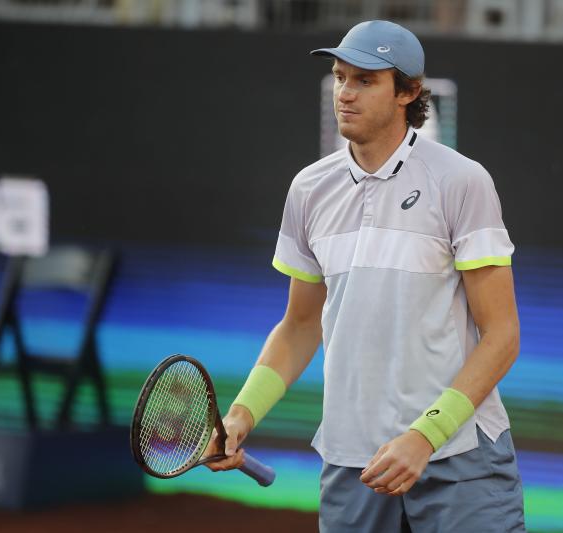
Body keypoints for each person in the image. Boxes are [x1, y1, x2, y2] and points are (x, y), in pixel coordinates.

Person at [205, 19, 525, 532]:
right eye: (340, 77)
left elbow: (503, 334)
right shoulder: (309, 190)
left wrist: (425, 436)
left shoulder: (463, 182)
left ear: (410, 92)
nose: (345, 94)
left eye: (365, 80)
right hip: (352, 463)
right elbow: (299, 326)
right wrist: (242, 414)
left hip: (460, 456)